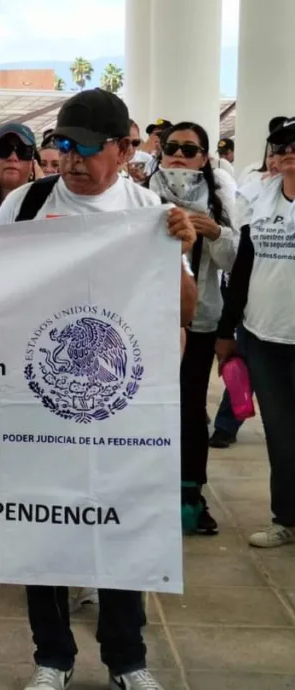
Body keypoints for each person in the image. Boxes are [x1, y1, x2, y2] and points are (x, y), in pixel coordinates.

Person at [0, 89, 196, 690]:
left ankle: (127, 659)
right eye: (62, 144)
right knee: (44, 528)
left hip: (120, 405)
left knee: (120, 525)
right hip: (38, 397)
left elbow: (184, 312)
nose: (71, 159)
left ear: (125, 148)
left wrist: (182, 249)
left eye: (86, 146)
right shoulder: (25, 205)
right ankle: (51, 658)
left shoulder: (148, 212)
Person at [148, 121, 238, 535]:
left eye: (190, 148)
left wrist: (215, 233)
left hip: (198, 320)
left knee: (189, 407)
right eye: (172, 147)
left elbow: (238, 259)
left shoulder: (220, 196)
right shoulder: (141, 192)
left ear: (204, 157)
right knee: (146, 409)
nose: (179, 155)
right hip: (145, 321)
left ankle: (190, 493)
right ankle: (147, 492)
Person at [216, 117, 295, 550]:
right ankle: (286, 518)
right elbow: (244, 266)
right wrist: (227, 330)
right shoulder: (260, 197)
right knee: (281, 436)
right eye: (279, 145)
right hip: (264, 337)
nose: (286, 151)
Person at [0, 123, 40, 225]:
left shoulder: (48, 206)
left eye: (23, 151)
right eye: (4, 149)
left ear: (33, 163)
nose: (13, 157)